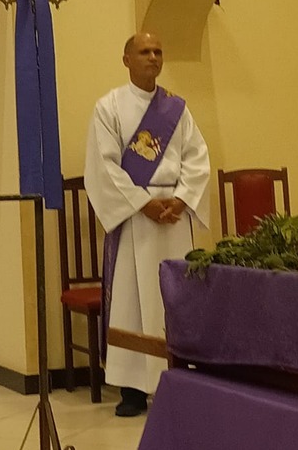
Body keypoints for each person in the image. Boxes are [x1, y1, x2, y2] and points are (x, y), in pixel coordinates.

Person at [84, 32, 209, 416]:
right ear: (126, 59)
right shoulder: (109, 107)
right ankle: (133, 388)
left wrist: (182, 198)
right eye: (144, 51)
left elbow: (197, 157)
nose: (153, 57)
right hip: (135, 218)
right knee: (132, 301)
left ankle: (176, 380)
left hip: (174, 216)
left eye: (158, 51)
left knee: (173, 300)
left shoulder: (176, 109)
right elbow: (104, 166)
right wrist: (144, 204)